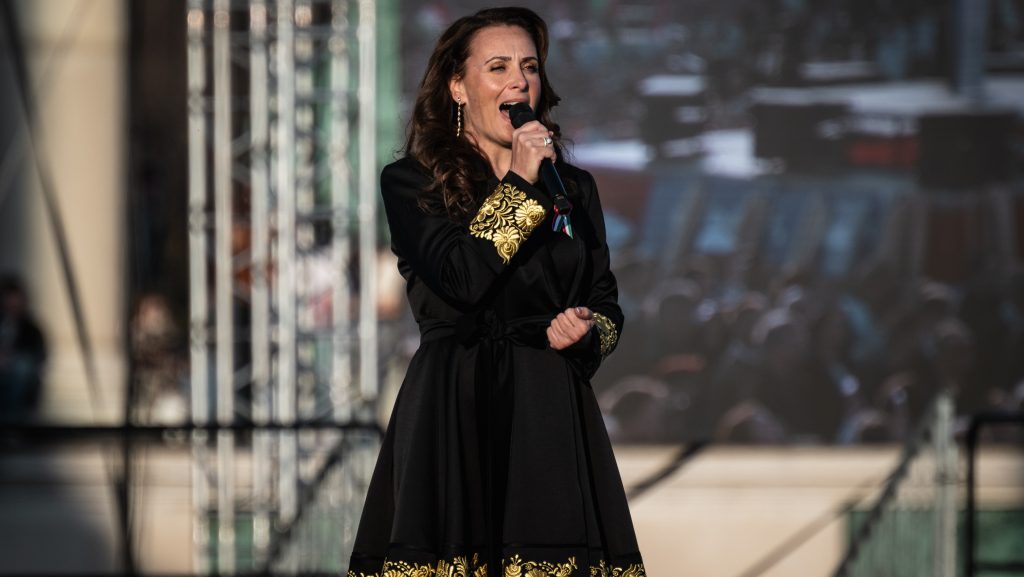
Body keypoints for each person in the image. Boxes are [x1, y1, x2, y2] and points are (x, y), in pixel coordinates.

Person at [347, 7, 646, 577]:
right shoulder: (414, 183)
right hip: (456, 403)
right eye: (498, 67)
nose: (518, 81)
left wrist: (588, 331)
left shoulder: (573, 188)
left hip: (548, 406)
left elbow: (606, 301)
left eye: (529, 67)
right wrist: (520, 183)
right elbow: (462, 279)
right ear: (458, 87)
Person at [0, 275, 47, 422]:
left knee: (22, 368)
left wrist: (12, 359)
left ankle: (12, 420)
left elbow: (39, 357)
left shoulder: (31, 329)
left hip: (19, 378)